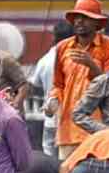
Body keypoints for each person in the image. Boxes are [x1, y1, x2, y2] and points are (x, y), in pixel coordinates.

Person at [47, 0, 109, 158]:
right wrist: (53, 100)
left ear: (96, 23)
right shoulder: (62, 47)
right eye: (77, 17)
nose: (79, 21)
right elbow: (58, 85)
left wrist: (91, 64)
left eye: (85, 18)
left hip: (99, 129)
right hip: (68, 131)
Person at [30, 22, 75, 157]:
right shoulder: (76, 59)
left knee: (50, 161)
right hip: (70, 122)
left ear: (54, 37)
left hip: (51, 120)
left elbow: (35, 84)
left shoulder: (45, 60)